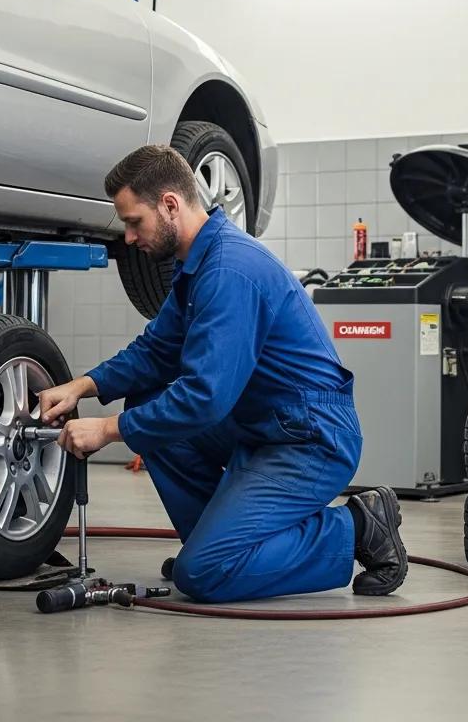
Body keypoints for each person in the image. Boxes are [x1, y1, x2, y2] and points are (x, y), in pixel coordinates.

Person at [39, 144, 408, 604]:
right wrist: (83, 386)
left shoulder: (230, 270)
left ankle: (357, 526)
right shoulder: (198, 265)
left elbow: (204, 397)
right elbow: (157, 350)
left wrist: (108, 430)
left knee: (204, 575)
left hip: (309, 437)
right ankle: (216, 545)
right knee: (147, 408)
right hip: (263, 424)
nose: (129, 238)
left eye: (134, 222)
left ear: (170, 204)